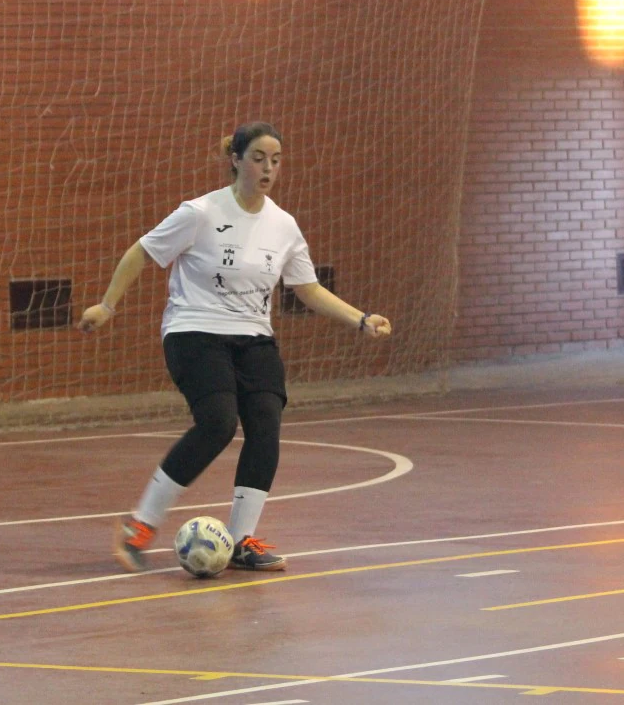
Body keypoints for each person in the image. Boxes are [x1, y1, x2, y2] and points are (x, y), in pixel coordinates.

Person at [78, 121, 392, 573]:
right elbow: (141, 252)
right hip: (194, 332)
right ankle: (140, 526)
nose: (268, 168)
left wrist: (360, 319)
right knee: (219, 423)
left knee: (265, 422)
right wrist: (107, 305)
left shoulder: (283, 225)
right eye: (259, 158)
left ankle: (243, 541)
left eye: (276, 160)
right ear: (236, 160)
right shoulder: (201, 212)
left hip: (253, 338)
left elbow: (307, 288)